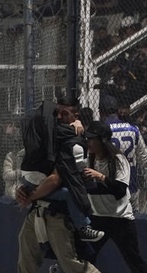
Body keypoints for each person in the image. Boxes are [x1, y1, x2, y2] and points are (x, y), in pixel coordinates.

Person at [5, 102, 132, 273]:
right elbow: (35, 172)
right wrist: (23, 190)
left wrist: (31, 193)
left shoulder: (73, 144)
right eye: (58, 113)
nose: (60, 116)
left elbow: (54, 180)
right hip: (37, 211)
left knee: (71, 265)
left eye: (66, 113)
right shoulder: (48, 138)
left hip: (58, 214)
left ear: (76, 117)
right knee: (26, 263)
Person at [68, 121, 147, 273]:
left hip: (120, 218)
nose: (89, 144)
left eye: (92, 140)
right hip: (98, 217)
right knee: (86, 258)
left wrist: (99, 177)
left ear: (103, 141)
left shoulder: (118, 160)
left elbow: (120, 190)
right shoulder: (89, 159)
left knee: (134, 259)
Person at [19, 98, 104, 242]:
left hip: (52, 212)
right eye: (57, 113)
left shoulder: (65, 137)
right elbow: (54, 179)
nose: (58, 117)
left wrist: (29, 196)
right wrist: (29, 195)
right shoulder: (48, 130)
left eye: (63, 113)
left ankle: (83, 228)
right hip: (43, 209)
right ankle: (83, 227)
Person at [99, 95, 147, 212]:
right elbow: (145, 159)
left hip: (109, 183)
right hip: (130, 183)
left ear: (101, 112)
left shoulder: (102, 129)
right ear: (117, 110)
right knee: (132, 220)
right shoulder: (133, 129)